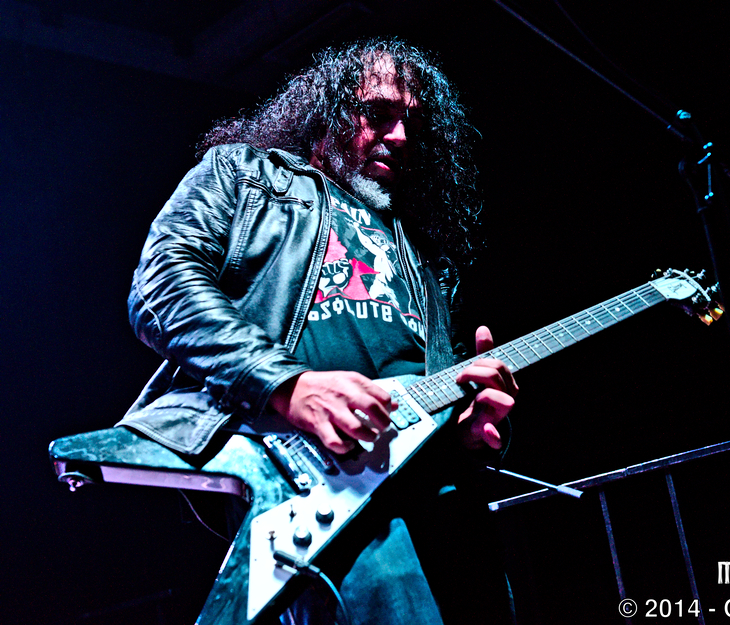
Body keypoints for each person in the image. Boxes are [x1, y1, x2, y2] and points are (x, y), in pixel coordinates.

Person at [116, 37, 518, 624]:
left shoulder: (420, 254)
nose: (400, 136)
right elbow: (162, 284)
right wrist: (286, 384)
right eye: (377, 113)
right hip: (320, 486)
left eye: (412, 123)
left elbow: (426, 389)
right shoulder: (247, 176)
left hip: (440, 505)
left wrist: (466, 431)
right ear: (327, 111)